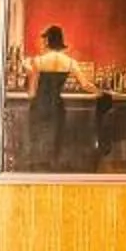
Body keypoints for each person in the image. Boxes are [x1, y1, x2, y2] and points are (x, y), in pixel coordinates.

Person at [30, 23, 78, 167]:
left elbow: (31, 91)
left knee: (38, 138)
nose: (43, 43)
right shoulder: (70, 62)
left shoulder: (37, 61)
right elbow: (85, 84)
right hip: (57, 105)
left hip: (40, 104)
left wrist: (28, 71)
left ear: (48, 41)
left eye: (45, 40)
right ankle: (54, 166)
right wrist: (98, 91)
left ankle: (38, 167)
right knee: (57, 138)